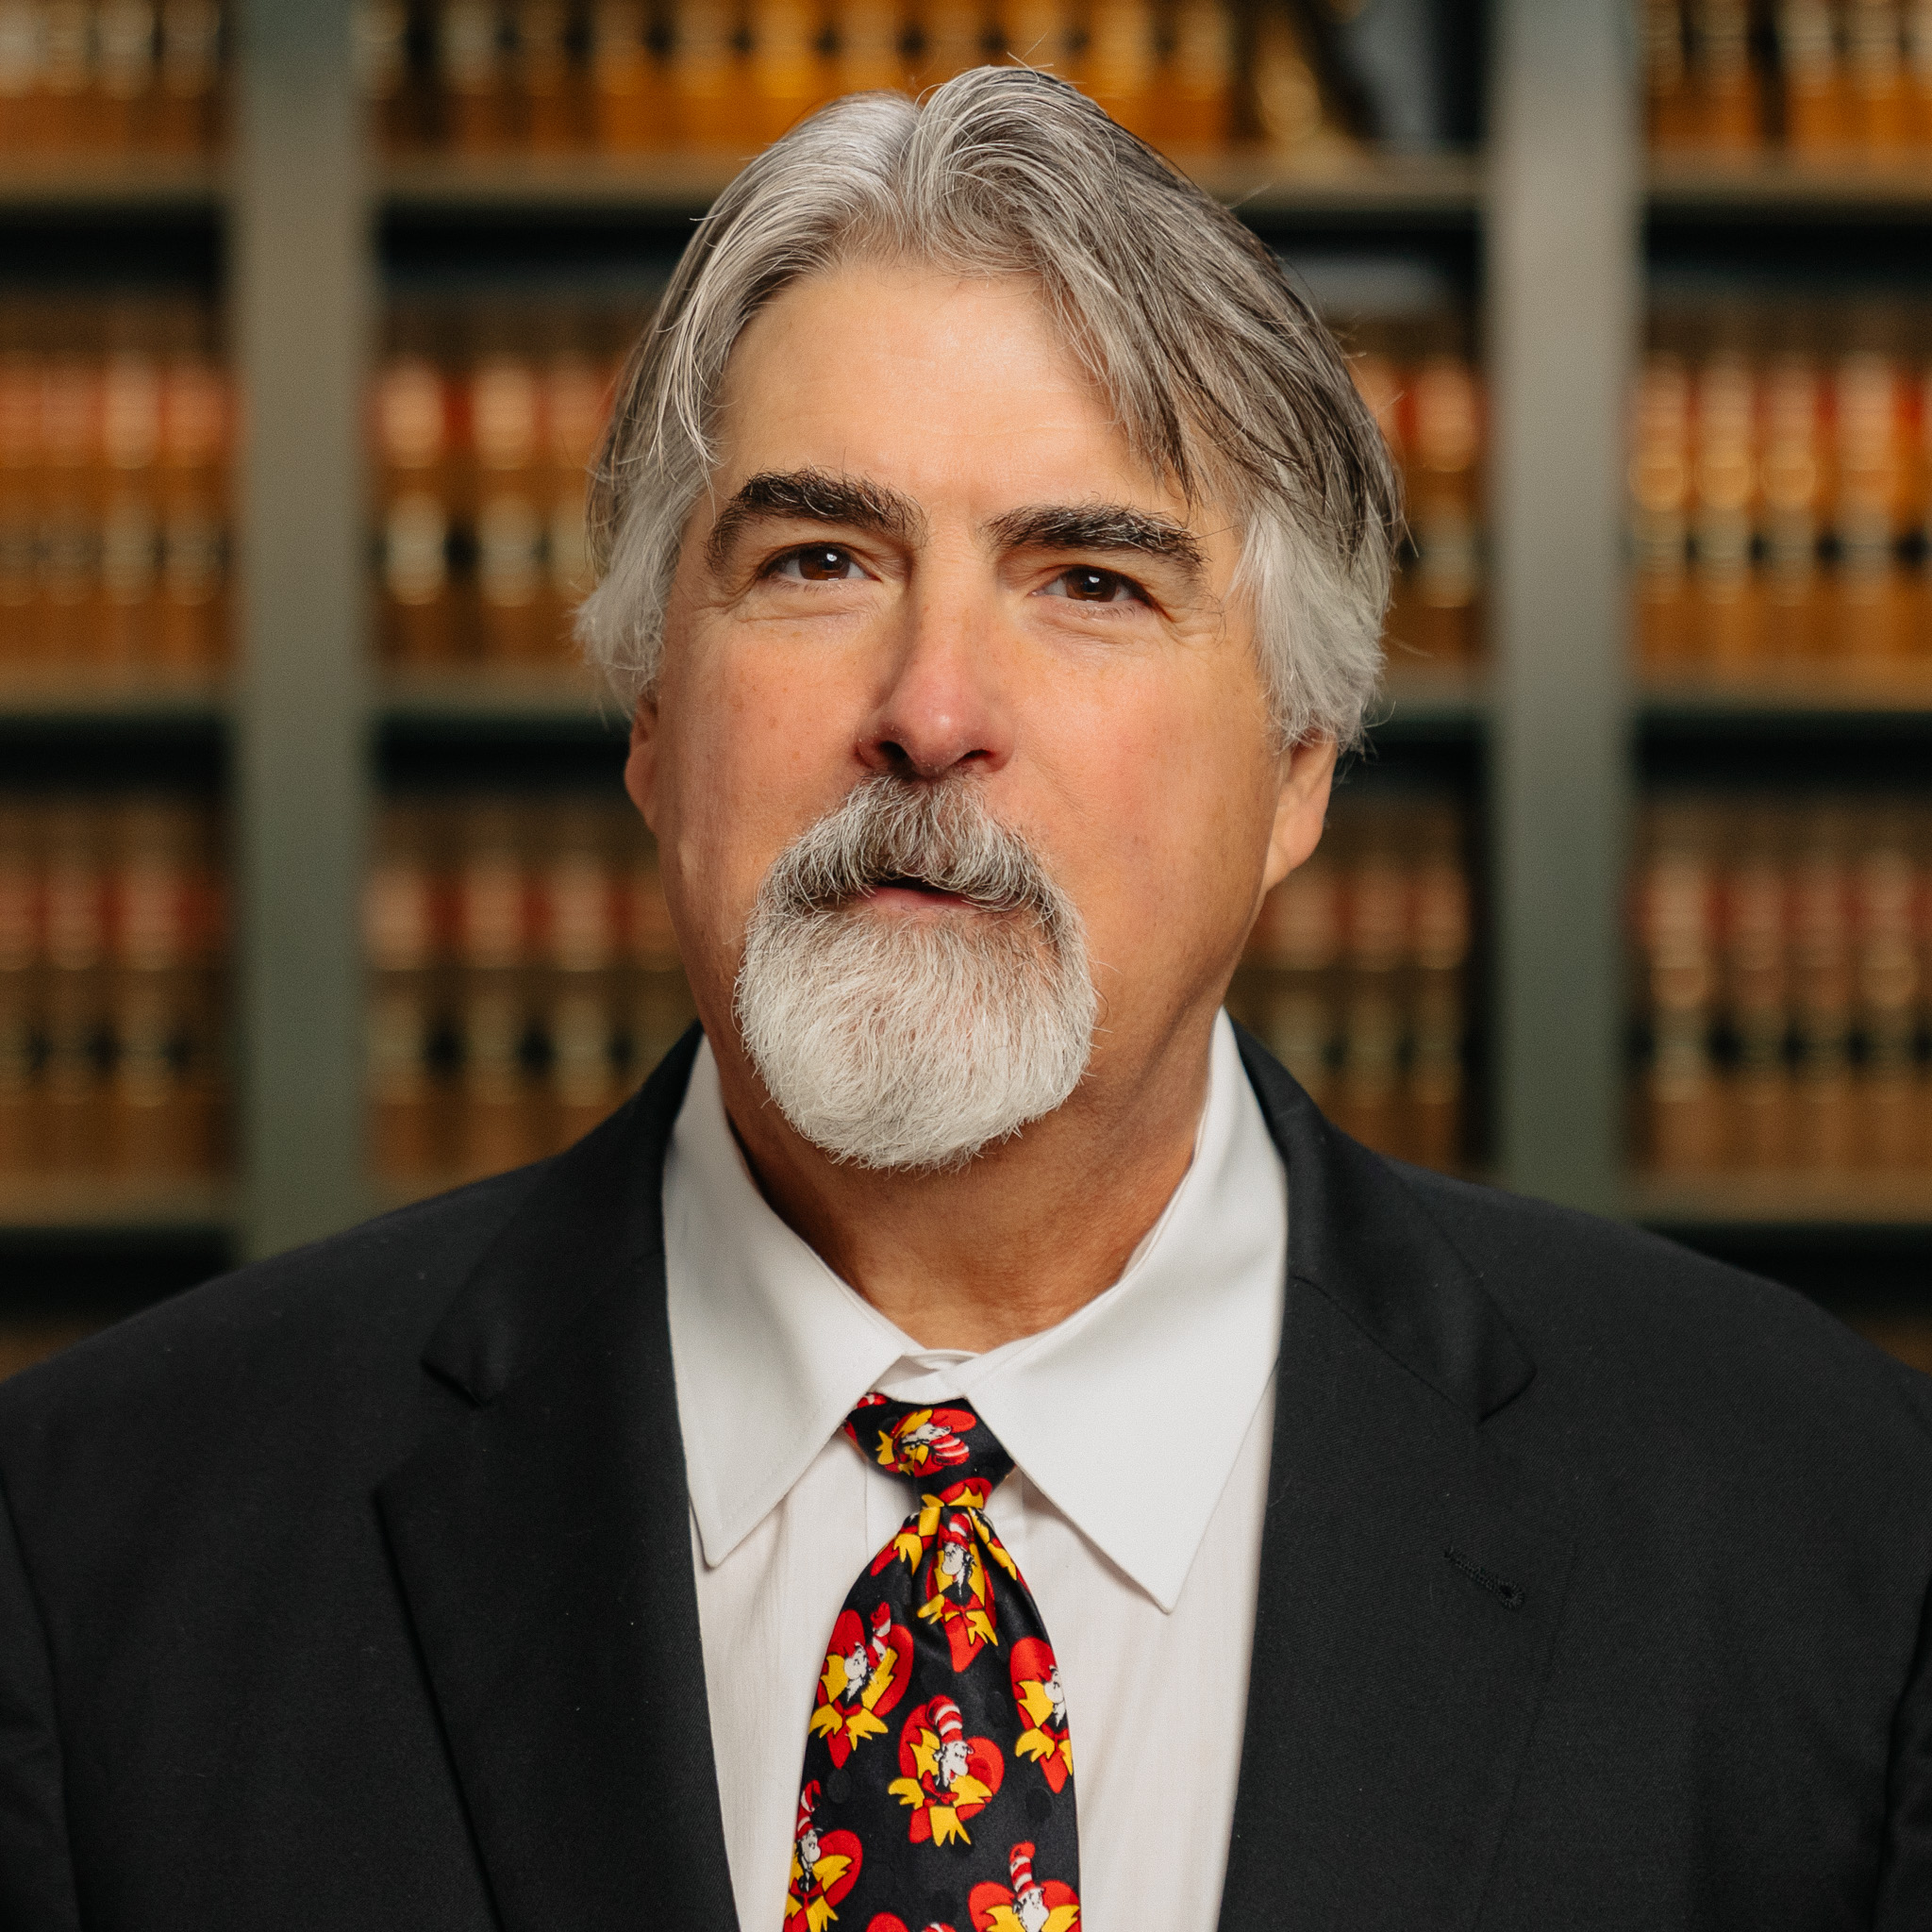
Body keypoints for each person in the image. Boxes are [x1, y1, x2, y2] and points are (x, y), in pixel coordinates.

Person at [2, 66, 1928, 1932]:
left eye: (1089, 580)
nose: (929, 710)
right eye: (818, 558)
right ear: (653, 718)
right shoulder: (105, 1551)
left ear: (1299, 771)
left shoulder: (1830, 1543)